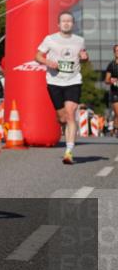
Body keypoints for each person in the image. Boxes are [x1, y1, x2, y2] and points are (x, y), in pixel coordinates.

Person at [35, 11, 90, 164]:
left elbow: (83, 57)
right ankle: (63, 126)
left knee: (70, 113)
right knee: (62, 117)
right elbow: (37, 56)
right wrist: (48, 62)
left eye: (69, 21)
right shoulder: (50, 39)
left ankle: (69, 151)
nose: (66, 23)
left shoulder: (79, 40)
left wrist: (85, 58)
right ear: (58, 24)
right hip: (54, 82)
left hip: (73, 80)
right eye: (63, 21)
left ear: (73, 24)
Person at [105, 44, 118, 137]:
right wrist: (111, 81)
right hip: (115, 92)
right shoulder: (111, 65)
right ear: (114, 52)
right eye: (116, 50)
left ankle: (115, 128)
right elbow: (106, 80)